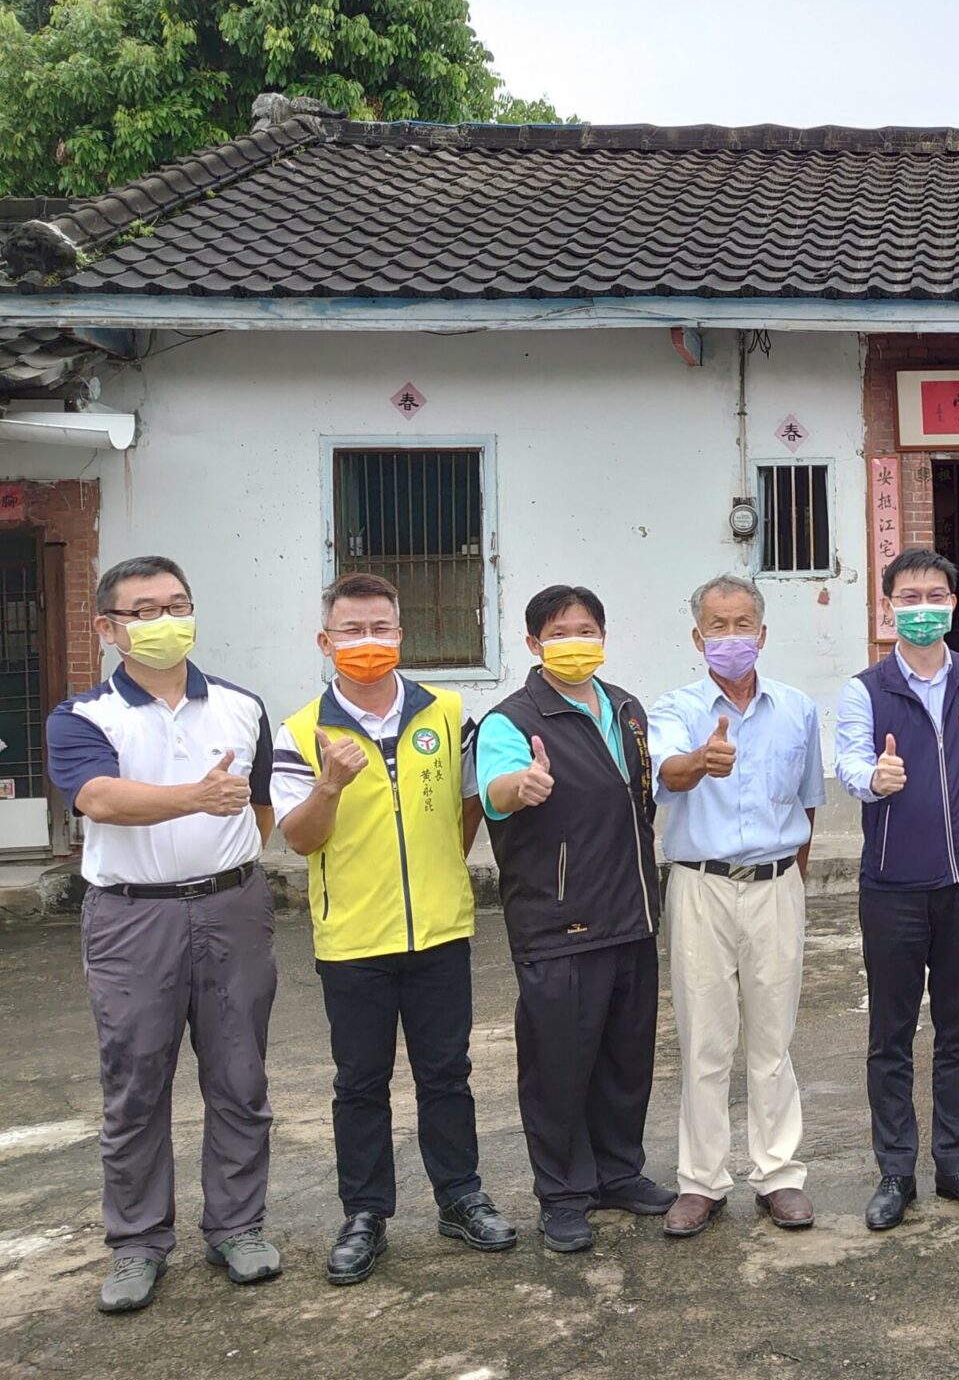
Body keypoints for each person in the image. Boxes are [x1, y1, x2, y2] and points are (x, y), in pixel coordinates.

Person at [46, 557, 280, 1313]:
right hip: (132, 917)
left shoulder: (241, 706)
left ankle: (238, 1226)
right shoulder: (83, 716)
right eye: (144, 610)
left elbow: (261, 806)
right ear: (107, 627)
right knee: (136, 1082)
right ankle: (138, 1242)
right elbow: (99, 798)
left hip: (231, 908)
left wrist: (226, 863)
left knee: (240, 1076)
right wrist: (196, 799)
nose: (166, 621)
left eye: (178, 605)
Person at [274, 572, 517, 1284]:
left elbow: (468, 806)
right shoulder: (301, 731)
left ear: (401, 634)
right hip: (353, 939)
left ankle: (460, 1197)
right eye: (351, 630)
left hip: (439, 931)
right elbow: (299, 837)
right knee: (360, 1082)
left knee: (448, 1074)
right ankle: (365, 1214)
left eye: (380, 628)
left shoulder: (448, 713)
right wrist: (329, 784)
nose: (368, 641)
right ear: (325, 641)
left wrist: (440, 872)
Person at [476, 584, 676, 1253]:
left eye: (586, 630)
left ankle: (618, 1172)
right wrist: (521, 785)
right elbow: (497, 791)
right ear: (533, 644)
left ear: (604, 637)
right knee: (558, 1065)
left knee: (625, 1057)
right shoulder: (511, 720)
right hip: (558, 920)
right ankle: (562, 1194)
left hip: (632, 911)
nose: (574, 643)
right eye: (559, 633)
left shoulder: (626, 709)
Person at [834, 548, 959, 1230]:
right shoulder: (866, 688)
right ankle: (895, 1171)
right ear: (888, 608)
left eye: (934, 596)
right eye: (908, 598)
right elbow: (849, 761)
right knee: (891, 1033)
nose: (921, 609)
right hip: (893, 887)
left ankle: (958, 1163)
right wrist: (871, 779)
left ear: (953, 604)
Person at [650, 573, 825, 1237]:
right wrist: (702, 760)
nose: (731, 636)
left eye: (742, 624)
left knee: (773, 1040)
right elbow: (667, 772)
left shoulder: (797, 709)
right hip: (702, 885)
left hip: (777, 885)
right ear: (698, 639)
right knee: (705, 1040)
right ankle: (702, 1181)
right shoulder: (675, 707)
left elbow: (809, 802)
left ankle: (779, 1175)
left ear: (762, 633)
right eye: (717, 626)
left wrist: (790, 881)